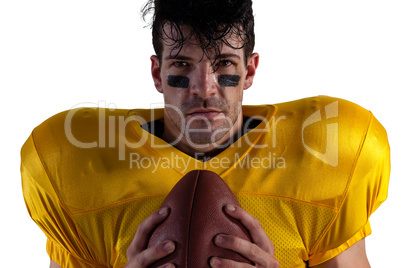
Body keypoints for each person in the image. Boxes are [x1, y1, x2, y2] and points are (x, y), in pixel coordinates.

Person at [20, 0, 390, 267]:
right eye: (183, 64)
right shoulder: (74, 167)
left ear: (250, 70)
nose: (205, 88)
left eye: (224, 63)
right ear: (156, 73)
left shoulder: (326, 154)